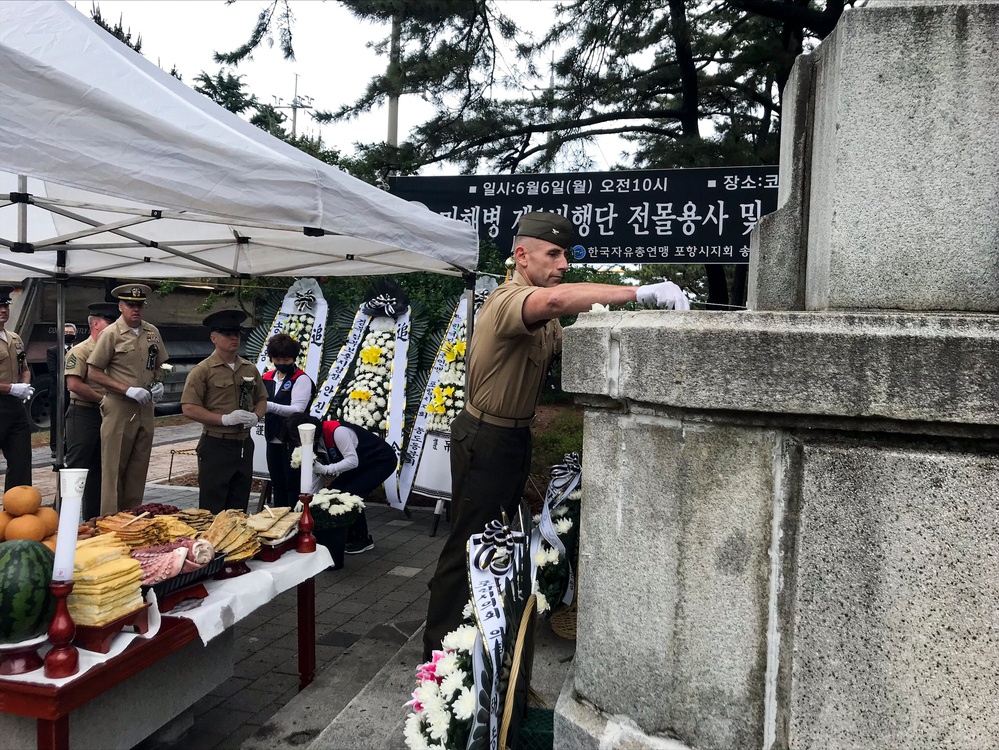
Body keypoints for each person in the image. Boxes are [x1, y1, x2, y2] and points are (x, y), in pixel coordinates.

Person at [422, 211, 690, 657]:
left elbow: (570, 335)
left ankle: (481, 639)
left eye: (565, 253)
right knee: (467, 543)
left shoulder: (542, 314)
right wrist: (639, 292)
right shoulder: (510, 300)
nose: (564, 262)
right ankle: (439, 654)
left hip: (511, 438)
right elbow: (555, 302)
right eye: (554, 253)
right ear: (521, 255)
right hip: (485, 437)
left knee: (496, 540)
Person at [87, 284, 168, 514]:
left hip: (145, 407)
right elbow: (94, 372)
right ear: (121, 306)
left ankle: (132, 519)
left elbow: (161, 364)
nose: (136, 309)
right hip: (120, 406)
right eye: (131, 304)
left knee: (138, 468)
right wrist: (126, 389)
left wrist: (159, 381)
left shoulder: (151, 332)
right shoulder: (111, 334)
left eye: (140, 305)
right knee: (114, 470)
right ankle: (111, 522)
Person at [181, 310, 267, 514]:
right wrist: (224, 419)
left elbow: (262, 398)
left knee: (239, 504)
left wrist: (256, 416)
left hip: (244, 443)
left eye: (236, 333)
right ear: (214, 338)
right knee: (213, 505)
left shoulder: (249, 369)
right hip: (216, 444)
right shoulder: (203, 370)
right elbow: (189, 407)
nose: (233, 338)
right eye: (227, 333)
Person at [289, 413, 397, 559]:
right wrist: (310, 502)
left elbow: (352, 461)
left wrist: (326, 469)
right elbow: (316, 474)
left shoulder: (337, 431)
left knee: (350, 495)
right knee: (332, 493)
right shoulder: (311, 443)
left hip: (380, 460)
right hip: (360, 464)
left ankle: (362, 539)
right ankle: (343, 535)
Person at [64, 303, 119, 521]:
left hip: (107, 414)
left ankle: (93, 521)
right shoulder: (81, 350)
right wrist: (103, 399)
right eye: (110, 321)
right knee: (77, 469)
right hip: (84, 414)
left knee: (100, 470)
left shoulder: (114, 351)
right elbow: (74, 384)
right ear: (95, 323)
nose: (115, 326)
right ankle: (65, 519)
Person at [262, 333, 315, 507]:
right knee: (277, 483)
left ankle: (296, 523)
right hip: (272, 438)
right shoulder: (267, 377)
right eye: (277, 359)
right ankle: (279, 521)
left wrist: (269, 406)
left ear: (293, 358)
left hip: (293, 440)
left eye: (285, 359)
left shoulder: (301, 379)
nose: (281, 363)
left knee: (293, 484)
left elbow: (298, 410)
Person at [0, 285, 34, 491]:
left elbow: (25, 367)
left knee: (21, 462)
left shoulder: (14, 338)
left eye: (5, 305)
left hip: (15, 407)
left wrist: (25, 384)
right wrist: (10, 388)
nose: (3, 310)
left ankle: (17, 511)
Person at [46, 322, 77, 461]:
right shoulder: (53, 350)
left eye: (71, 333)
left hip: (74, 392)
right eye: (66, 333)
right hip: (58, 392)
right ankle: (55, 447)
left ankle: (69, 445)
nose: (68, 335)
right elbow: (53, 371)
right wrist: (69, 381)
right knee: (57, 421)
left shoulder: (78, 349)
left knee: (72, 420)